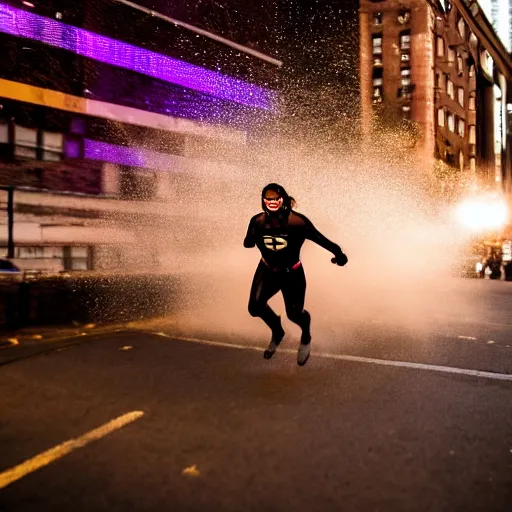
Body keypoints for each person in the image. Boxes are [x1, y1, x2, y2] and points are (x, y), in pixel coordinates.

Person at [243, 183, 348, 366]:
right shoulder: (257, 221)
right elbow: (248, 243)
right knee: (255, 307)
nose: (272, 202)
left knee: (294, 314)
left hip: (292, 273)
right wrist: (252, 236)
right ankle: (278, 331)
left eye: (276, 198)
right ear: (263, 201)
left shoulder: (297, 222)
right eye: (268, 199)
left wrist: (339, 254)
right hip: (267, 270)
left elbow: (320, 239)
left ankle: (306, 336)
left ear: (283, 199)